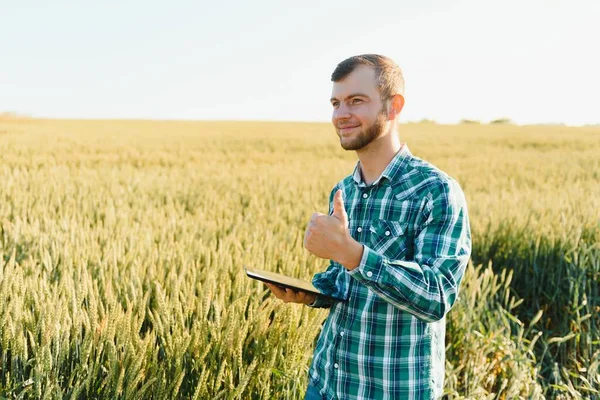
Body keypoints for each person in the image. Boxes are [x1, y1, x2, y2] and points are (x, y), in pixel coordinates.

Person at [266, 54, 471, 400]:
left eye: (356, 101)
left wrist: (352, 253)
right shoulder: (343, 191)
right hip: (327, 384)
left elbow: (436, 296)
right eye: (335, 103)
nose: (340, 114)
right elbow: (344, 280)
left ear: (393, 106)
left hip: (393, 389)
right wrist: (311, 293)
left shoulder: (436, 191)